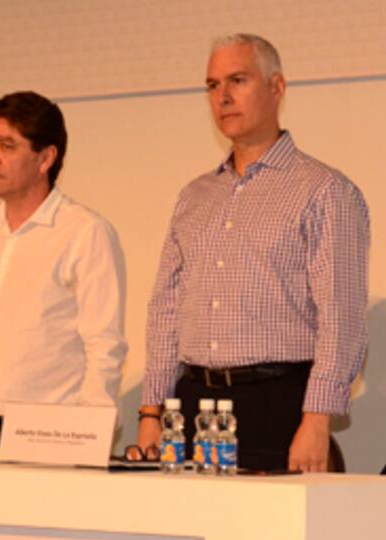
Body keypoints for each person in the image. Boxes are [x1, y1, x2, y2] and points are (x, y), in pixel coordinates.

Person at [134, 34, 369, 472]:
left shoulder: (324, 190)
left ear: (276, 87)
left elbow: (342, 316)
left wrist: (316, 420)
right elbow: (166, 310)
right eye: (212, 85)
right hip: (192, 406)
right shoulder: (195, 196)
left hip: (276, 405)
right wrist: (151, 412)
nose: (223, 96)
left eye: (238, 80)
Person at [0, 91, 127, 414]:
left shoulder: (83, 232)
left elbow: (104, 346)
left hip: (46, 428)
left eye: (7, 146)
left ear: (46, 158)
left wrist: (90, 429)